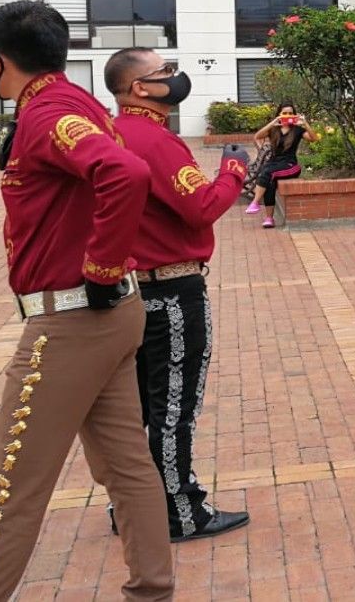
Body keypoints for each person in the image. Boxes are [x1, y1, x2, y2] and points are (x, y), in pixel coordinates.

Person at [0, 1, 173, 601]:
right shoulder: (71, 101)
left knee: (11, 489)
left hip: (72, 321)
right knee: (127, 467)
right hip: (107, 317)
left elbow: (124, 174)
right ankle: (153, 590)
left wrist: (101, 268)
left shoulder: (48, 112)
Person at [105, 49, 252, 542]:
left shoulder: (110, 132)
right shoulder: (156, 140)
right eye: (164, 71)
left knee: (139, 410)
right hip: (171, 290)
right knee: (172, 409)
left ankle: (130, 505)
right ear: (140, 89)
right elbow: (201, 208)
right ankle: (179, 513)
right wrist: (234, 169)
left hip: (129, 294)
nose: (175, 76)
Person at [244, 103, 316, 228]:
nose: (287, 115)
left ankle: (255, 202)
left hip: (290, 166)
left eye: (290, 113)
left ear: (294, 114)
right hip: (274, 164)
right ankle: (269, 219)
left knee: (267, 173)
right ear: (279, 114)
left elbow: (313, 138)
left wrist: (305, 123)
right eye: (284, 113)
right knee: (269, 182)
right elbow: (257, 136)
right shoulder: (274, 129)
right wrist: (274, 122)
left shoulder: (298, 130)